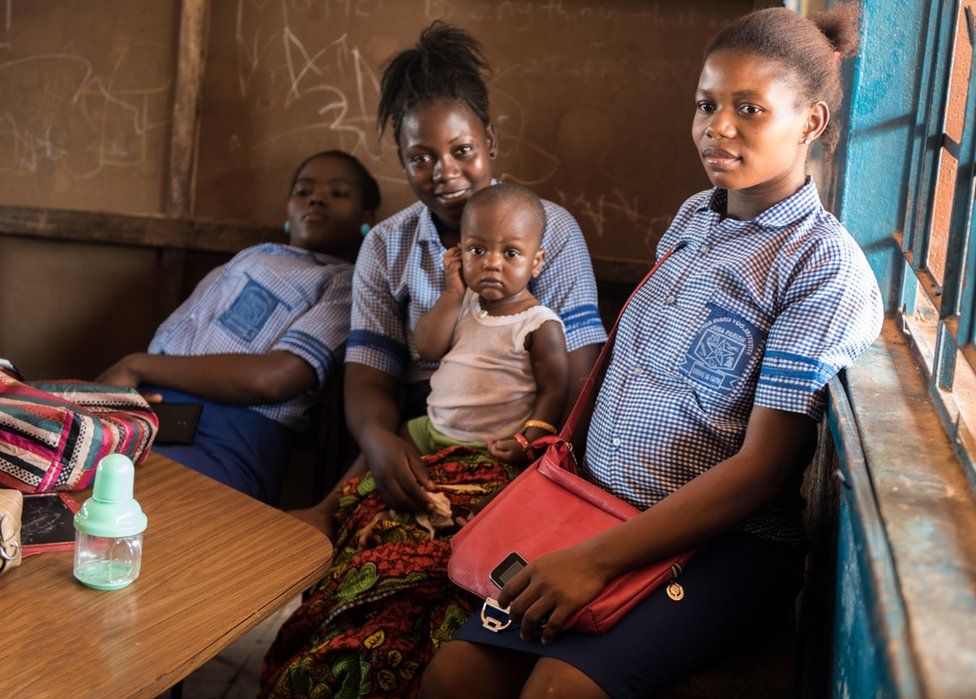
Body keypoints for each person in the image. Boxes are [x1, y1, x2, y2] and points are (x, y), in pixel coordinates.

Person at [421, 5, 884, 698]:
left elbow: (761, 470)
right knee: (454, 678)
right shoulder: (696, 216)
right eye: (706, 104)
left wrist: (593, 561)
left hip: (725, 544)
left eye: (749, 109)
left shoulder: (822, 266)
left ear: (811, 123)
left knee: (558, 690)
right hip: (595, 505)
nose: (715, 127)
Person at [260, 23, 603, 698]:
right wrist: (381, 441)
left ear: (492, 143)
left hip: (515, 446)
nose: (444, 171)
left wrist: (530, 447)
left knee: (455, 591)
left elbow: (578, 377)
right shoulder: (388, 246)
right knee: (346, 597)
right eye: (421, 157)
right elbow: (369, 377)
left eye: (462, 150)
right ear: (400, 158)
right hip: (424, 430)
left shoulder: (548, 230)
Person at [97, 150, 381, 504]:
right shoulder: (251, 258)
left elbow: (276, 377)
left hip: (222, 445)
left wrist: (135, 365)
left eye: (338, 193)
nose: (316, 199)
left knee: (123, 503)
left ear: (367, 219)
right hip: (145, 425)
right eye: (303, 191)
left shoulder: (346, 282)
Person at [404, 183, 568, 464]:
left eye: (511, 253)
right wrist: (451, 293)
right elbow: (427, 348)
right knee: (397, 444)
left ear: (536, 261)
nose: (491, 263)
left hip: (492, 447)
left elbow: (555, 390)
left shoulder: (538, 324)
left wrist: (527, 441)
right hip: (432, 430)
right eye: (477, 250)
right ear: (459, 252)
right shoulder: (462, 301)